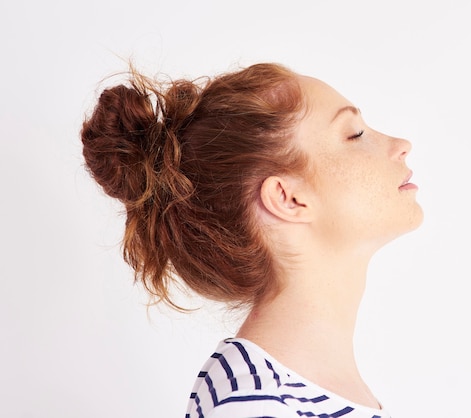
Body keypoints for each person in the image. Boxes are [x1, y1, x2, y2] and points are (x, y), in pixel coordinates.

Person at [81, 62, 423, 418]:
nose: (401, 145)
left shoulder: (285, 395)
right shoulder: (254, 407)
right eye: (355, 134)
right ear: (288, 198)